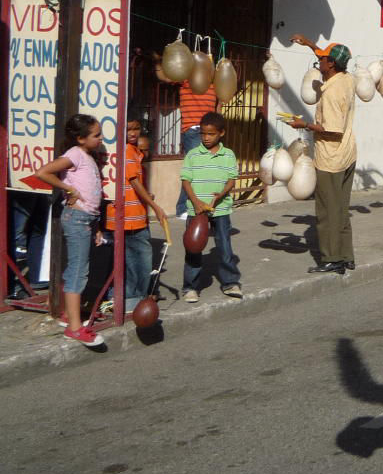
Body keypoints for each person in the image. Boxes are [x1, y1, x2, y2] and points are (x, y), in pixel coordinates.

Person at [33, 115, 107, 348]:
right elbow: (43, 172)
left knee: (77, 269)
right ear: (80, 138)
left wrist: (96, 226)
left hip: (86, 219)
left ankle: (71, 316)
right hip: (76, 218)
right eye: (96, 135)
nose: (101, 138)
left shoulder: (87, 156)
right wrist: (69, 189)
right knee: (77, 271)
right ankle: (74, 328)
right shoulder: (75, 154)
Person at [288, 35, 357, 274]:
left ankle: (331, 258)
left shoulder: (331, 93)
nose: (320, 62)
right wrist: (309, 44)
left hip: (331, 159)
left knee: (327, 210)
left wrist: (303, 125)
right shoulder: (347, 78)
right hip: (348, 154)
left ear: (331, 65)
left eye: (323, 59)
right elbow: (325, 55)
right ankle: (347, 255)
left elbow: (332, 129)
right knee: (341, 207)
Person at [104, 116, 167, 312]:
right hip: (129, 216)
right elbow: (133, 181)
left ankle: (128, 297)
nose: (133, 133)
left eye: (136, 128)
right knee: (138, 259)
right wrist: (154, 206)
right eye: (128, 128)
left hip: (132, 214)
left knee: (131, 258)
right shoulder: (126, 152)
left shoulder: (130, 151)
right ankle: (133, 299)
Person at [180, 112, 242, 302]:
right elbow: (186, 181)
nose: (206, 138)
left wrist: (221, 195)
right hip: (196, 211)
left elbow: (231, 180)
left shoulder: (228, 155)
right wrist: (196, 202)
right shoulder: (192, 154)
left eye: (211, 134)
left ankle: (230, 282)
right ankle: (190, 287)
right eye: (203, 134)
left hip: (220, 209)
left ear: (221, 133)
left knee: (224, 246)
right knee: (194, 247)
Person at [153, 52, 219, 218]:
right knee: (195, 169)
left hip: (210, 130)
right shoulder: (187, 78)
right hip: (193, 130)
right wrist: (158, 61)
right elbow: (165, 77)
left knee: (207, 171)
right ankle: (183, 208)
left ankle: (200, 206)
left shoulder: (213, 82)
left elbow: (219, 105)